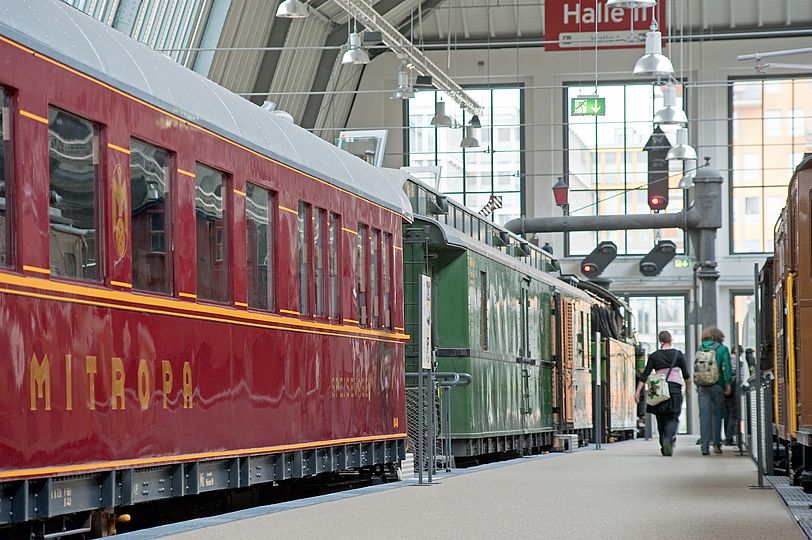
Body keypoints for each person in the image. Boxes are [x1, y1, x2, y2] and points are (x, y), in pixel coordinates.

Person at [635, 331, 690, 457]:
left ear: (660, 341)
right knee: (673, 417)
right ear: (671, 340)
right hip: (674, 389)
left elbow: (645, 375)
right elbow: (686, 375)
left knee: (661, 418)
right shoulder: (678, 354)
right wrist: (687, 389)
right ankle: (668, 439)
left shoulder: (654, 356)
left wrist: (638, 391)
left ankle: (663, 442)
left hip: (659, 390)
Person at [696, 326, 733, 456]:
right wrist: (728, 383)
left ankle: (704, 446)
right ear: (719, 336)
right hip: (717, 385)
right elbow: (727, 368)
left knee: (704, 416)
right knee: (717, 415)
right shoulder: (723, 349)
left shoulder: (701, 348)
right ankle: (717, 445)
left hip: (702, 386)